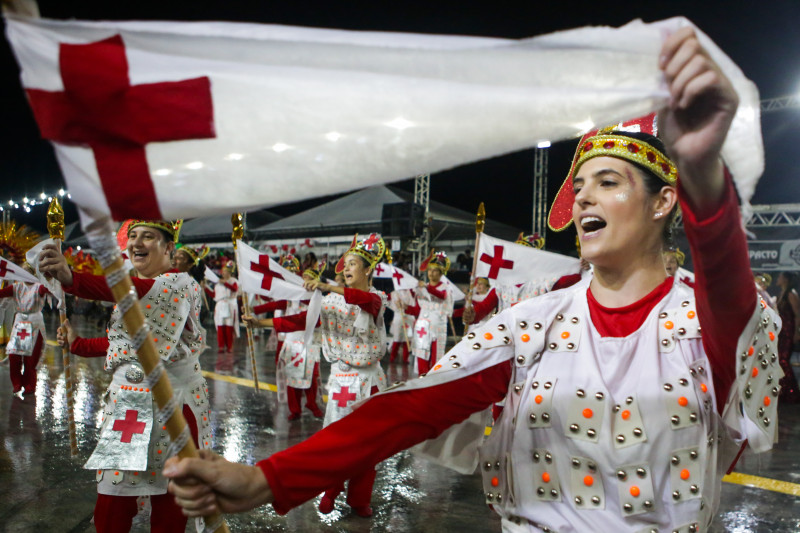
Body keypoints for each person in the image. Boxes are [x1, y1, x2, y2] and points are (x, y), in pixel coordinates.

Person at [166, 28, 781, 533]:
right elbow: (407, 411)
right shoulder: (535, 324)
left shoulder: (704, 322)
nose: (586, 194)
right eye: (582, 182)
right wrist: (269, 477)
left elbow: (727, 284)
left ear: (663, 202)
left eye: (610, 181)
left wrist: (705, 174)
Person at [39, 220, 210, 533]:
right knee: (112, 499)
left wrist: (72, 278)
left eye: (148, 236)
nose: (136, 242)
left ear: (169, 248)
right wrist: (78, 344)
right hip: (129, 407)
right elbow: (127, 344)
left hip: (174, 406)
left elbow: (131, 292)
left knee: (170, 499)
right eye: (132, 236)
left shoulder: (181, 285)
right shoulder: (136, 287)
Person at [244, 234, 388, 517]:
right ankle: (331, 490)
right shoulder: (331, 303)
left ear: (369, 269)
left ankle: (359, 500)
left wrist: (324, 285)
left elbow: (363, 300)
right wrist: (259, 322)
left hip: (368, 381)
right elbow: (300, 320)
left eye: (353, 264)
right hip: (340, 380)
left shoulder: (377, 298)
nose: (346, 269)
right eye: (345, 264)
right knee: (337, 441)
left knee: (367, 445)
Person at [246, 261, 325, 421]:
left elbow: (305, 314)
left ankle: (312, 403)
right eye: (304, 279)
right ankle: (294, 409)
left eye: (309, 280)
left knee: (311, 375)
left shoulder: (317, 300)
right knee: (292, 375)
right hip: (291, 341)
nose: (305, 283)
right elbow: (276, 304)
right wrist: (253, 309)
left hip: (309, 342)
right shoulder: (292, 297)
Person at [0, 264, 50, 399]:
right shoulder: (17, 287)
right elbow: (2, 294)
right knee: (14, 355)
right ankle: (16, 382)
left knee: (31, 358)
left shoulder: (38, 286)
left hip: (34, 323)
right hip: (20, 322)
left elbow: (48, 290)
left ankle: (30, 385)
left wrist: (51, 279)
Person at [404, 251, 454, 375]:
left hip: (437, 328)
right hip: (423, 327)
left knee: (436, 357)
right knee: (421, 354)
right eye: (429, 270)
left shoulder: (445, 288)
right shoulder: (422, 288)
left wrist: (427, 288)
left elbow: (441, 296)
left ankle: (433, 380)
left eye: (435, 270)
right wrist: (405, 307)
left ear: (441, 273)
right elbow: (417, 309)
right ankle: (422, 379)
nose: (431, 273)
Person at [204, 260, 239, 353]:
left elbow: (235, 289)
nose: (224, 273)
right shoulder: (218, 283)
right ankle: (221, 346)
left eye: (226, 272)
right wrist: (206, 287)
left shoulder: (234, 281)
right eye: (223, 272)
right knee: (220, 326)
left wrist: (225, 283)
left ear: (230, 273)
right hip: (220, 305)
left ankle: (229, 346)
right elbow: (214, 295)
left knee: (229, 326)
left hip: (230, 305)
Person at [775, 271, 800, 403]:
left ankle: (792, 392)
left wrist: (796, 332)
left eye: (780, 276)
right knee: (780, 361)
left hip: (788, 331)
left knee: (783, 360)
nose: (777, 278)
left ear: (785, 279)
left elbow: (797, 314)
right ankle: (784, 391)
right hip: (782, 331)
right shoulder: (783, 293)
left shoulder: (791, 294)